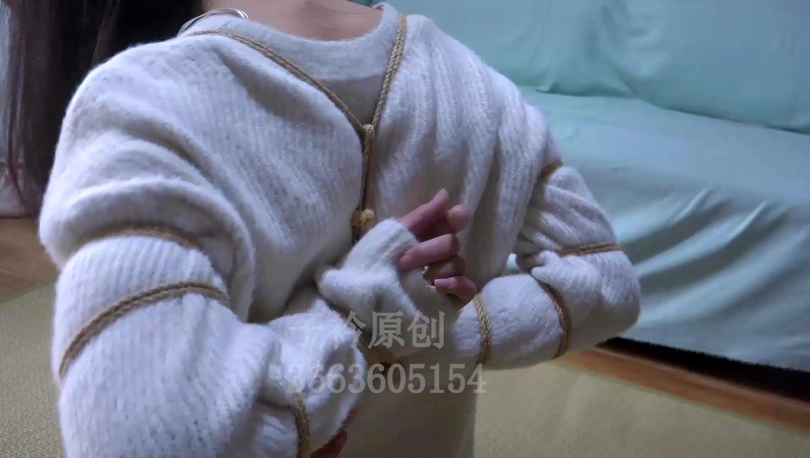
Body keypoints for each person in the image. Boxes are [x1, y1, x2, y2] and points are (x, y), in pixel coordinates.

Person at [3, 0, 641, 457]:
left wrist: (363, 328)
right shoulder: (479, 88)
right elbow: (605, 283)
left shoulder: (143, 105)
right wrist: (423, 331)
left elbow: (149, 441)